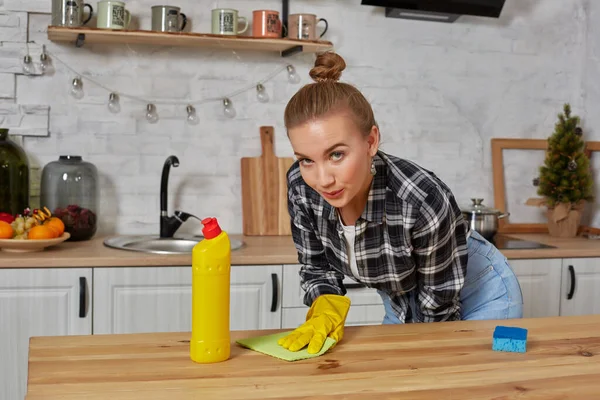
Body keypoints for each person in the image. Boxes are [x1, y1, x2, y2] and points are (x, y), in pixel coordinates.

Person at [277, 51, 523, 355]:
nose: (323, 179)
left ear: (370, 142)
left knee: (469, 381)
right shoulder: (302, 187)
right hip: (402, 295)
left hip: (477, 292)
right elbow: (317, 267)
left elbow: (438, 308)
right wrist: (324, 307)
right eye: (306, 160)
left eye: (336, 154)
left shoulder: (420, 199)